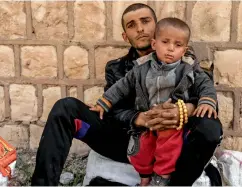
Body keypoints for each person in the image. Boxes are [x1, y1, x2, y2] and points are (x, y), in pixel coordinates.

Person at [31, 3, 223, 186]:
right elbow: (113, 111)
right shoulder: (117, 68)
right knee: (66, 108)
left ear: (156, 27)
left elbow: (208, 100)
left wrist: (183, 111)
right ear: (125, 36)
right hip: (132, 141)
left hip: (173, 138)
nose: (140, 28)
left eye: (145, 21)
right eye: (132, 25)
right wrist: (140, 119)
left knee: (210, 127)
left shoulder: (186, 59)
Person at [93, 17, 218, 186]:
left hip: (171, 124)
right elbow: (120, 87)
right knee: (142, 150)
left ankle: (161, 177)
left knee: (167, 150)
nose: (171, 48)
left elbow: (206, 85)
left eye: (178, 45)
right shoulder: (140, 69)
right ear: (154, 44)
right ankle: (144, 176)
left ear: (184, 50)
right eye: (165, 42)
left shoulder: (187, 68)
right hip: (148, 120)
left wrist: (206, 101)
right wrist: (104, 102)